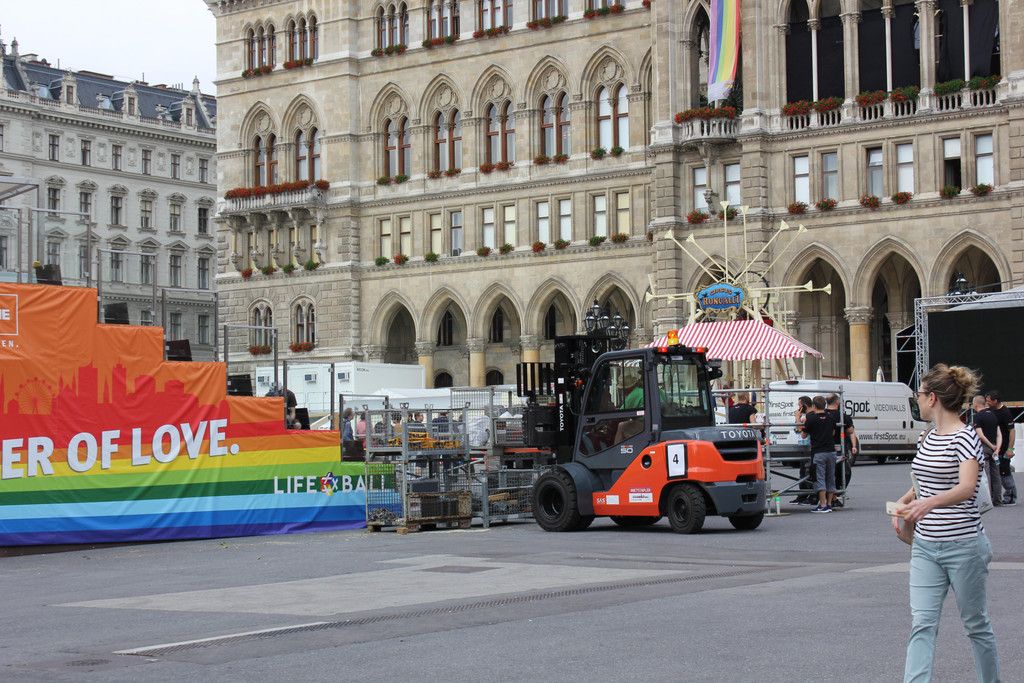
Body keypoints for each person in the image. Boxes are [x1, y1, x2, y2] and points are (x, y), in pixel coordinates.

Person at [893, 364, 999, 682]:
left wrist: (928, 504)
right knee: (922, 623)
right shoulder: (927, 437)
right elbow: (923, 482)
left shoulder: (965, 438)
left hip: (964, 546)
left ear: (933, 398)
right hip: (925, 545)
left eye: (919, 394)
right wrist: (904, 501)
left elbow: (967, 487)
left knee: (976, 624)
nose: (917, 400)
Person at [804, 395, 837, 513]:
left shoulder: (811, 419)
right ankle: (829, 503)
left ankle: (822, 504)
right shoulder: (830, 417)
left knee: (820, 478)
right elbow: (833, 433)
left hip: (819, 451)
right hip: (831, 451)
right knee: (831, 477)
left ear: (814, 406)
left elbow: (803, 434)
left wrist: (798, 420)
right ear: (825, 405)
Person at [826, 394, 859, 506]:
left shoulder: (822, 414)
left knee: (828, 473)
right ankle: (835, 495)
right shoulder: (843, 416)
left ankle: (831, 497)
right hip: (838, 448)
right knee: (843, 472)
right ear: (837, 402)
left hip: (823, 448)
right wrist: (854, 446)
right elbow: (851, 432)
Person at [986, 391, 1017, 505]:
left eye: (989, 401)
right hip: (995, 447)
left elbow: (1012, 431)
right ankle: (995, 496)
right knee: (997, 472)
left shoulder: (1005, 412)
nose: (987, 403)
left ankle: (1011, 497)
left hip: (1004, 448)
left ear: (995, 401)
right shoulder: (991, 410)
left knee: (1004, 472)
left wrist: (1010, 449)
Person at [972, 395, 1003, 507]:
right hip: (995, 448)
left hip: (984, 448)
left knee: (986, 475)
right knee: (996, 474)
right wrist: (997, 448)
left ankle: (988, 500)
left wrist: (990, 446)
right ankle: (998, 500)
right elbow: (999, 434)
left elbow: (980, 435)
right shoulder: (993, 415)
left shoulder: (977, 417)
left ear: (976, 405)